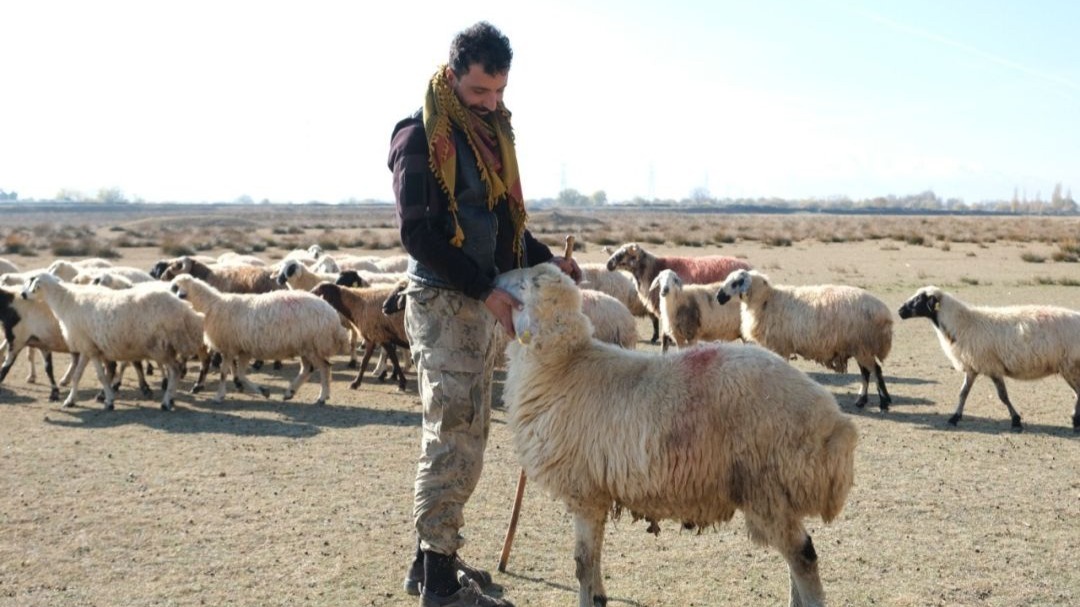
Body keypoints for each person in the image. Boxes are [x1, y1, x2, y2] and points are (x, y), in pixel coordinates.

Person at [387, 20, 580, 607]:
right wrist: (485, 291)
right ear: (452, 76)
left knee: (466, 433)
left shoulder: (491, 139)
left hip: (478, 304)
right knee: (453, 438)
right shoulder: (419, 136)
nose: (492, 104)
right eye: (479, 93)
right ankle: (440, 586)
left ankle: (431, 564)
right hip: (445, 303)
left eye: (499, 93)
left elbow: (500, 234)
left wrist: (547, 263)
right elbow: (419, 234)